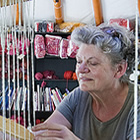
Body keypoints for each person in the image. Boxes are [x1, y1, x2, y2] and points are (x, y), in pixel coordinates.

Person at [32, 23, 140, 140]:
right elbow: (43, 134)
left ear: (119, 69)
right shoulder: (78, 96)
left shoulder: (136, 103)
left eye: (93, 63)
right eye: (79, 61)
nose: (81, 70)